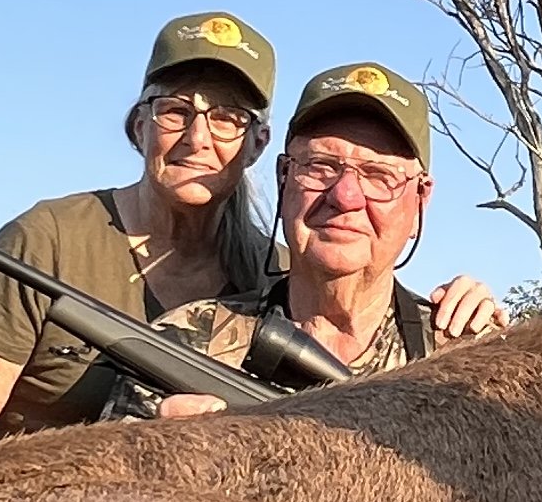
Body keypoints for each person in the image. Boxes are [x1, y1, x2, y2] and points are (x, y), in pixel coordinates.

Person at [0, 20, 506, 467]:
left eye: (226, 119)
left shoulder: (457, 347)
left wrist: (485, 329)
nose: (198, 138)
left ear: (255, 144)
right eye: (174, 112)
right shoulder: (57, 246)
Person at [102, 61, 504, 417]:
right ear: (284, 179)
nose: (345, 196)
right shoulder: (184, 345)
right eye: (320, 167)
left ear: (420, 200)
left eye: (380, 176)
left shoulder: (473, 357)